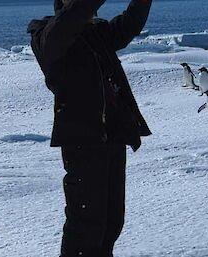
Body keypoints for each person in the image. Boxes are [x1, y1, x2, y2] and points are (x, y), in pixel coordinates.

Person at [27, 0, 152, 256]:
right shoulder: (47, 36)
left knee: (111, 222)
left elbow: (130, 24)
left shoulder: (96, 34)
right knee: (86, 226)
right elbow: (71, 18)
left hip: (113, 136)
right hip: (82, 142)